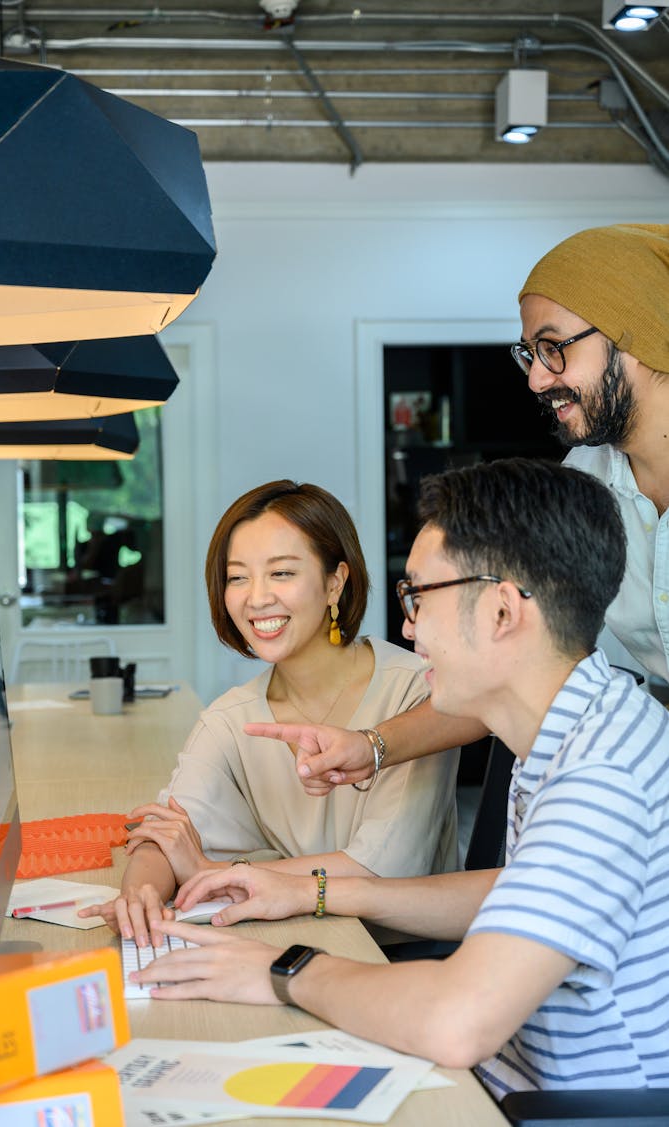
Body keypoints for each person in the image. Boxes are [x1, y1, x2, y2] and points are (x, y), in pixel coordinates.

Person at [129, 458, 669, 1098]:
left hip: (541, 1104)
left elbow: (456, 1022)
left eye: (419, 596)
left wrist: (283, 970)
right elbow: (513, 889)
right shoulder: (589, 724)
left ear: (501, 611)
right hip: (504, 1076)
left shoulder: (599, 780)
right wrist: (317, 894)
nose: (408, 627)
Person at [248, 222, 669, 792]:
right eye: (530, 355)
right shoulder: (584, 482)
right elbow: (519, 664)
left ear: (637, 330)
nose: (538, 379)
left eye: (554, 348)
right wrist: (372, 747)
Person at [81, 479, 459, 944]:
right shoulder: (231, 718)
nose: (256, 598)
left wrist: (221, 872)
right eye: (238, 577)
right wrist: (138, 895)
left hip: (392, 958)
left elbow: (384, 869)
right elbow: (165, 836)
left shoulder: (418, 690)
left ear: (334, 582)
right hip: (283, 938)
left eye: (281, 573)